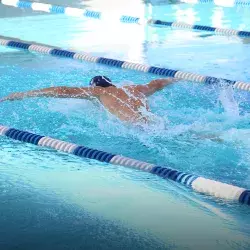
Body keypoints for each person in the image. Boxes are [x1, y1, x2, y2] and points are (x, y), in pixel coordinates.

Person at [0, 76, 179, 125]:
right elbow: (157, 82)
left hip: (138, 130)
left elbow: (61, 91)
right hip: (158, 124)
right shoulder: (135, 88)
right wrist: (179, 77)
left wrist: (22, 94)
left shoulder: (100, 93)